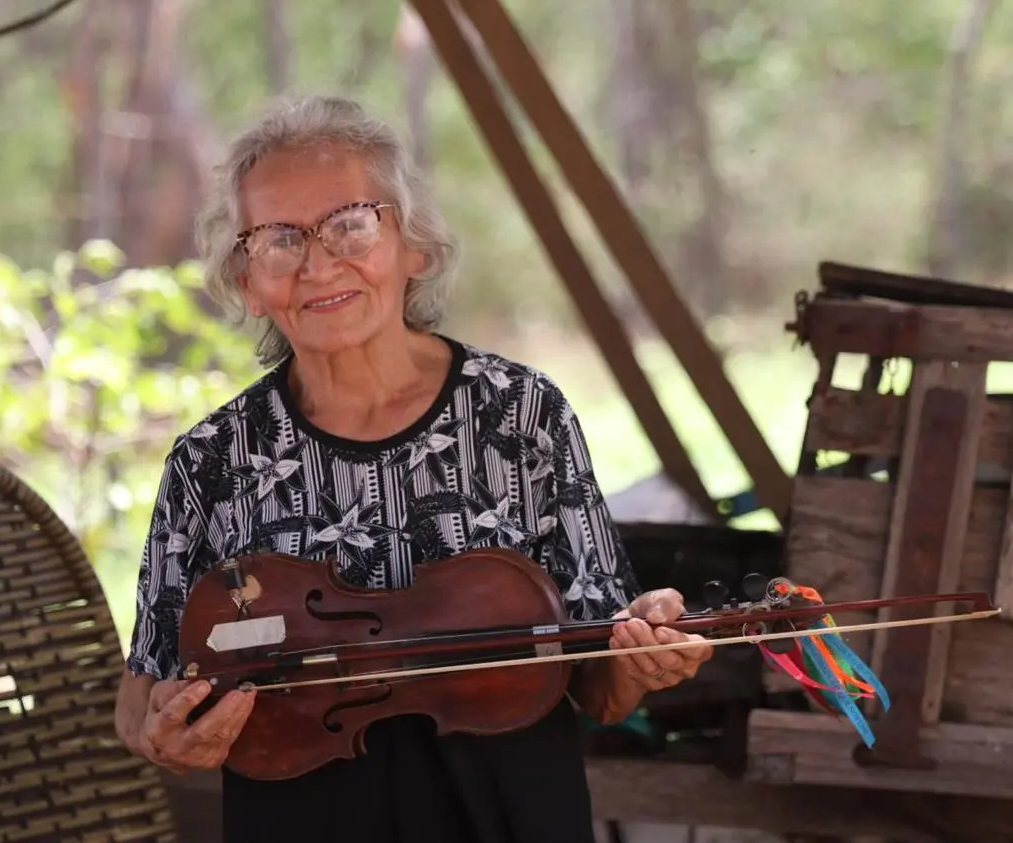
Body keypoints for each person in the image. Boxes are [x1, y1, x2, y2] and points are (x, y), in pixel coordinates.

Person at [114, 95, 713, 843]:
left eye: (351, 224)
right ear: (248, 283)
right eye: (278, 240)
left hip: (507, 818)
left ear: (413, 246)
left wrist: (641, 659)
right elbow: (140, 704)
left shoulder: (522, 414)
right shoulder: (211, 461)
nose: (318, 263)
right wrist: (169, 738)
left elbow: (600, 687)